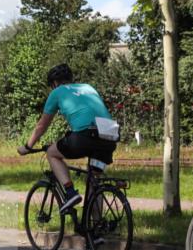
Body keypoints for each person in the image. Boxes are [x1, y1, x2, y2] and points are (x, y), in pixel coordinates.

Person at [18, 63, 119, 213]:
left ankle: (70, 193)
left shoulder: (57, 92)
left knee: (52, 153)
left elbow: (42, 125)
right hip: (110, 135)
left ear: (54, 83)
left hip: (86, 136)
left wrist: (27, 147)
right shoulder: (87, 87)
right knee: (94, 181)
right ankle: (95, 232)